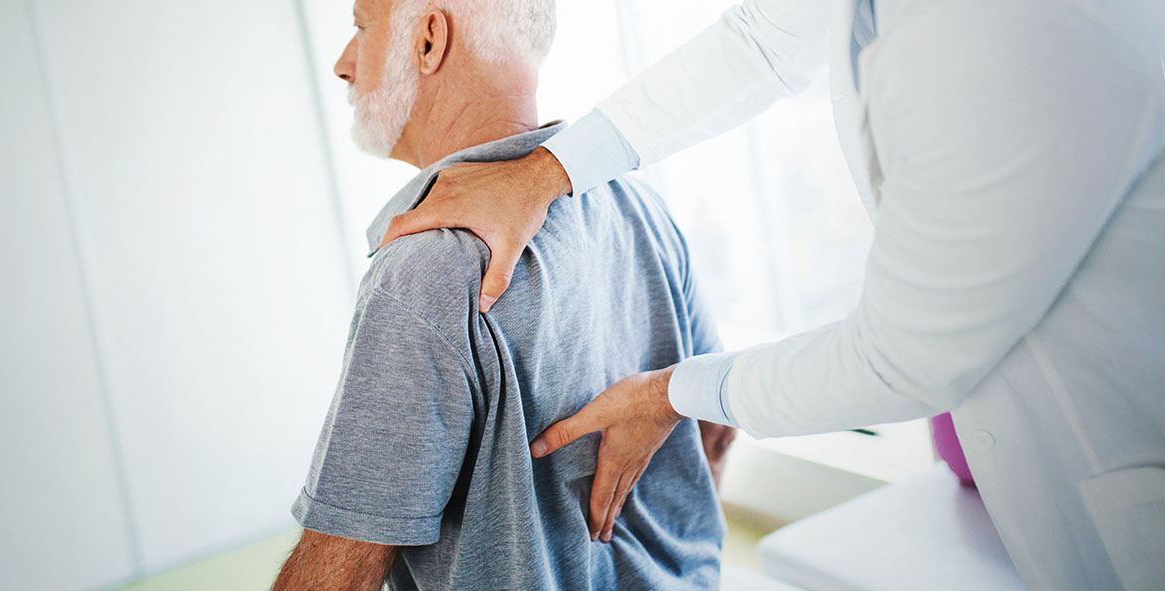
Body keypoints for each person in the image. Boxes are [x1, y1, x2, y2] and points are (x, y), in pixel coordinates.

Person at [380, 0, 1165, 588]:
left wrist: (672, 393)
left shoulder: (1015, 26)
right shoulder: (446, 263)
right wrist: (548, 170)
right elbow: (761, 41)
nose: (347, 64)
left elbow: (904, 358)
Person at [272, 0, 734, 589]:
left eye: (361, 28)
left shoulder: (425, 270)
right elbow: (715, 432)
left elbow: (343, 572)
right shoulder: (641, 207)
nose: (343, 63)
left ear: (429, 41)